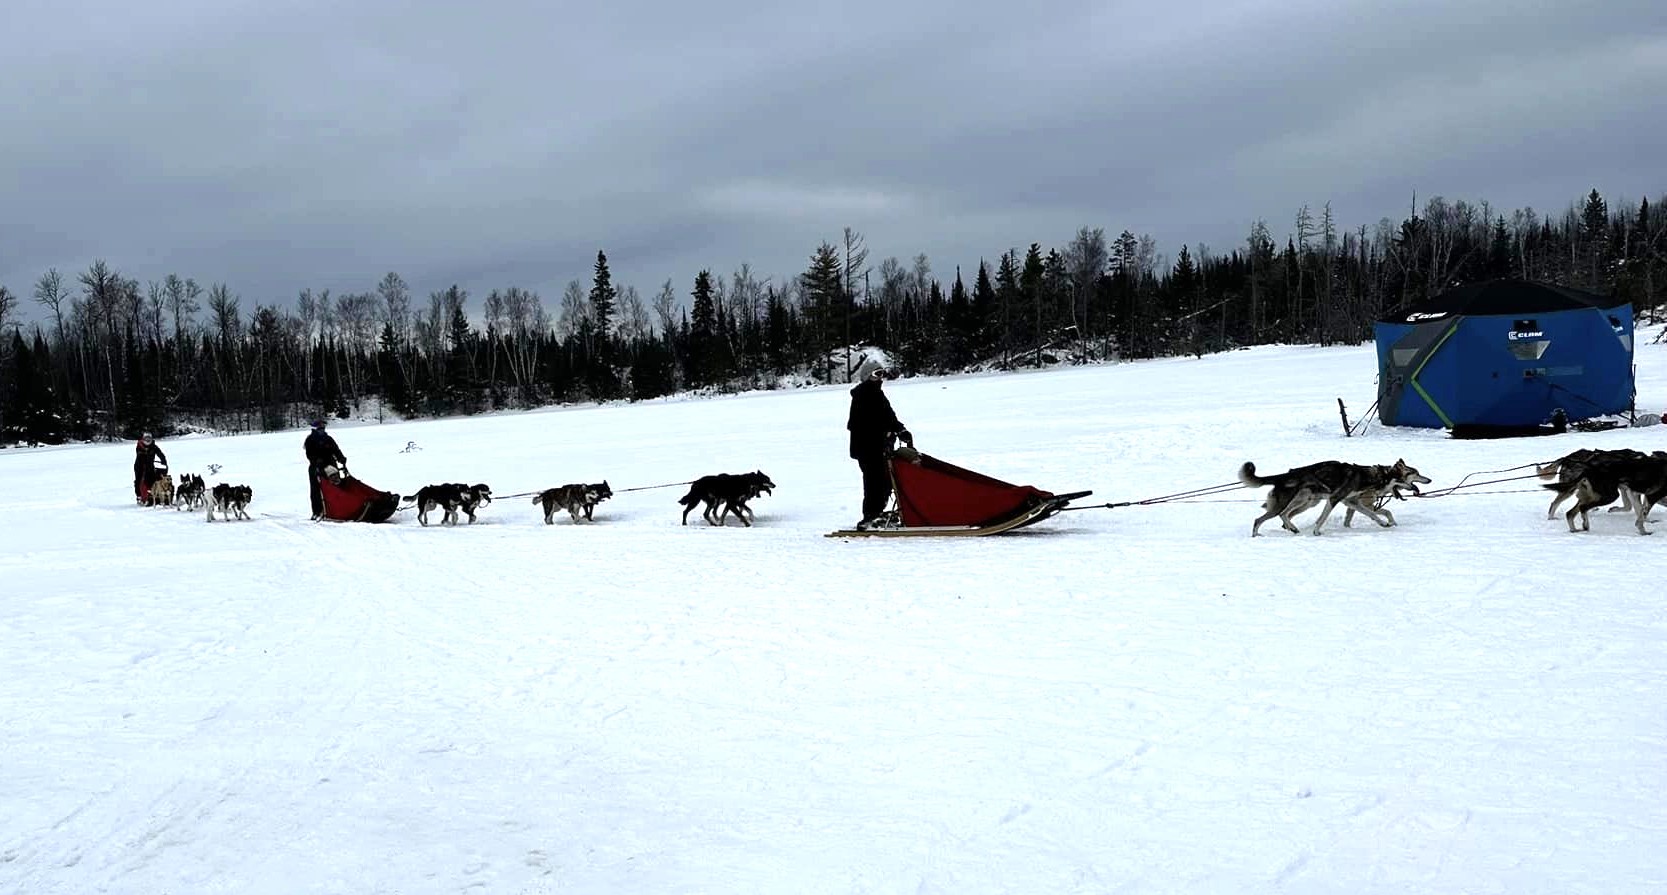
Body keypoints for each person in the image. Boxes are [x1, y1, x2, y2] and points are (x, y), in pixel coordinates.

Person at [847, 361, 911, 530]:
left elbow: (889, 416)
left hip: (879, 448)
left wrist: (900, 429)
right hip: (867, 449)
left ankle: (877, 513)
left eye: (882, 374)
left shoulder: (877, 394)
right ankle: (869, 517)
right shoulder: (862, 396)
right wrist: (884, 435)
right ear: (868, 376)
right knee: (874, 482)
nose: (881, 378)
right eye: (877, 374)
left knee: (886, 481)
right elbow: (862, 425)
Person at [304, 418, 347, 520]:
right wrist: (316, 461)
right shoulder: (310, 440)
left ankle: (336, 509)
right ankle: (317, 511)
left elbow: (336, 450)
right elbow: (309, 454)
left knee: (335, 487)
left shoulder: (329, 439)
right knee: (316, 491)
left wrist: (341, 458)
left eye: (323, 427)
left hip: (331, 467)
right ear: (315, 428)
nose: (322, 429)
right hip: (316, 468)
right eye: (320, 427)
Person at [133, 432, 168, 505]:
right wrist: (144, 455)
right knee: (139, 480)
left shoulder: (154, 446)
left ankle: (153, 495)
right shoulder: (139, 446)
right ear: (143, 439)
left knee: (153, 479)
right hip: (140, 466)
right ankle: (139, 496)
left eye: (149, 438)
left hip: (150, 465)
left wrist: (163, 461)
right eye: (146, 438)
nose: (148, 440)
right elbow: (139, 455)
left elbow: (160, 454)